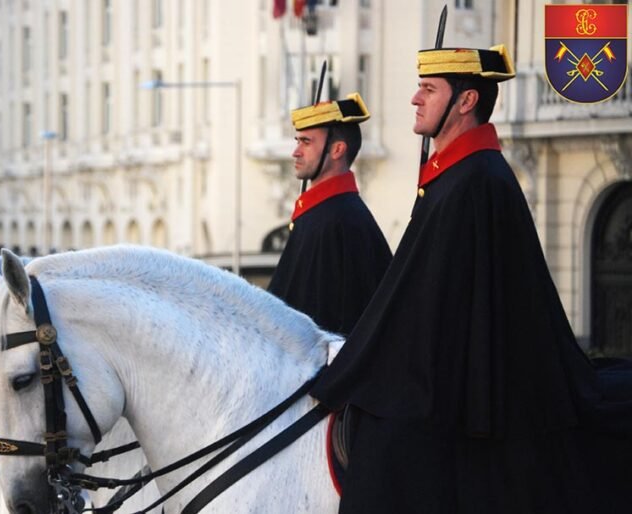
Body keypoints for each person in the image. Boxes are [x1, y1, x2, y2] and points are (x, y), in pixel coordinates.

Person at [310, 45, 631, 513]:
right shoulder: (453, 175)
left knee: (386, 446)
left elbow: (441, 312)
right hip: (442, 371)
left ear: (465, 102)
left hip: (477, 389)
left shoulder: (477, 180)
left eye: (428, 89)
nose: (415, 99)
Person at [268, 93, 392, 336]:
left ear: (337, 149)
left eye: (306, 142)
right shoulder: (319, 214)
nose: (295, 151)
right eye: (297, 141)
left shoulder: (339, 219)